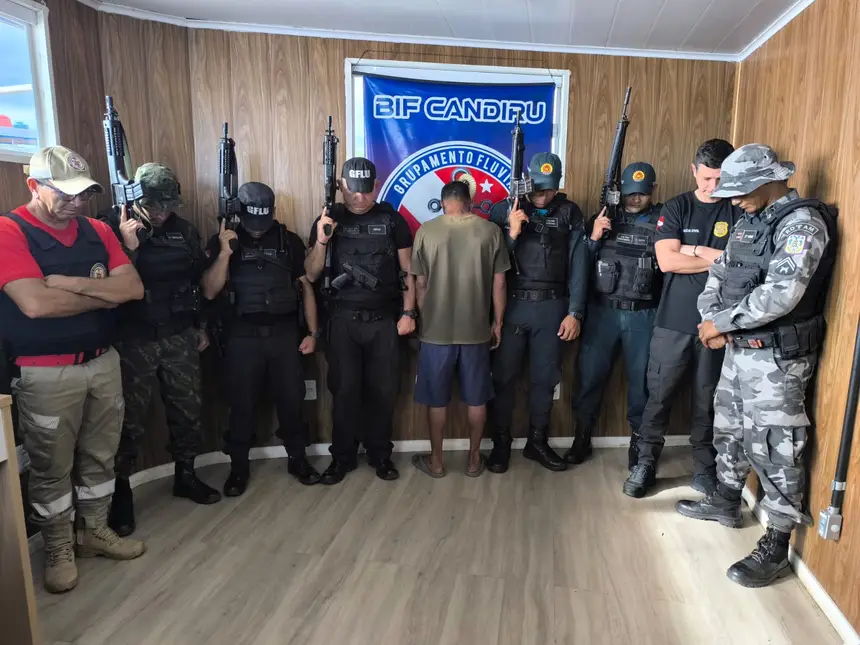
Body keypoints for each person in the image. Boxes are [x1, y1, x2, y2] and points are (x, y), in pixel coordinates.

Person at [677, 144, 835, 588]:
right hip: (737, 348)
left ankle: (777, 545)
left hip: (777, 359)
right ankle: (726, 499)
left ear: (770, 180)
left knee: (776, 446)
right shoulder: (750, 222)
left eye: (740, 191)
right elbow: (720, 273)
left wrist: (721, 323)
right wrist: (710, 319)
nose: (733, 201)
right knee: (728, 427)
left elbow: (782, 294)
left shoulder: (803, 225)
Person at [0, 146, 146, 593]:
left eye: (83, 193)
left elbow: (132, 289)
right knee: (51, 466)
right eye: (64, 192)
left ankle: (94, 531)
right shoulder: (9, 231)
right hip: (45, 372)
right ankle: (59, 546)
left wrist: (69, 284)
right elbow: (35, 304)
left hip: (103, 361)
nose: (76, 202)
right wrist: (103, 293)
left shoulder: (98, 230)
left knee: (101, 455)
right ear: (34, 186)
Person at [106, 163, 221, 538]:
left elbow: (196, 282)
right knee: (128, 419)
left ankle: (185, 474)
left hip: (178, 334)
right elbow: (107, 287)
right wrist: (129, 249)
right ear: (137, 198)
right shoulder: (111, 226)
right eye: (155, 205)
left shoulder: (183, 230)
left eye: (168, 206)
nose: (161, 213)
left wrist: (200, 325)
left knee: (188, 409)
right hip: (133, 338)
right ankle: (120, 490)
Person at [624, 139, 742, 498]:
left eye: (720, 179)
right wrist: (714, 257)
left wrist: (693, 250)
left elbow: (739, 264)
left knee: (708, 399)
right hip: (673, 319)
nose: (713, 186)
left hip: (718, 323)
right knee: (658, 395)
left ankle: (704, 469)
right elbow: (667, 261)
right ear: (694, 171)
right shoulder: (677, 207)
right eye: (706, 178)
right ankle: (645, 463)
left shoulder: (738, 209)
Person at [202, 182, 320, 496]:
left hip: (284, 335)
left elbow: (306, 286)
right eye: (252, 221)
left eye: (263, 220)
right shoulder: (224, 240)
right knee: (241, 405)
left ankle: (298, 460)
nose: (257, 228)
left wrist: (313, 333)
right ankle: (238, 468)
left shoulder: (288, 241)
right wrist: (225, 254)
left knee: (292, 401)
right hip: (241, 336)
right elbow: (210, 291)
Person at [304, 158, 416, 485]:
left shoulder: (392, 220)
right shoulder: (329, 219)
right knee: (344, 392)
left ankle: (380, 455)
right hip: (343, 321)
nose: (359, 197)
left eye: (366, 191)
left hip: (384, 321)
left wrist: (409, 312)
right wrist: (322, 240)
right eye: (353, 190)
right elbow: (311, 273)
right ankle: (342, 457)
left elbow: (408, 271)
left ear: (376, 186)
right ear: (341, 185)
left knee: (384, 392)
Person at [487, 152, 587, 473]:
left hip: (553, 306)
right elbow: (490, 264)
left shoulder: (569, 212)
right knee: (503, 377)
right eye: (539, 188)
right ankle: (500, 443)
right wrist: (512, 234)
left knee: (545, 379)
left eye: (550, 189)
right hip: (512, 305)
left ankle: (537, 442)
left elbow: (579, 263)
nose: (544, 195)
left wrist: (575, 311)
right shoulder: (504, 209)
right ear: (527, 182)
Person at [566, 162, 663, 469]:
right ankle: (582, 436)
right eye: (631, 193)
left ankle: (639, 443)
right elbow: (578, 266)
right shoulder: (603, 217)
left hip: (643, 314)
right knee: (589, 377)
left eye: (642, 193)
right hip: (602, 313)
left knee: (642, 383)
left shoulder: (664, 221)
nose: (636, 198)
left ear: (653, 190)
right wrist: (594, 238)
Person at [411, 180, 510, 478]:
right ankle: (474, 461)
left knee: (436, 401)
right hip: (477, 332)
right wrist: (497, 323)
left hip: (435, 333)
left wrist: (426, 318)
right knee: (477, 399)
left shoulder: (426, 231)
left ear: (443, 203)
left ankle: (437, 462)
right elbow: (500, 283)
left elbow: (419, 284)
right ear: (470, 202)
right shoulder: (490, 231)